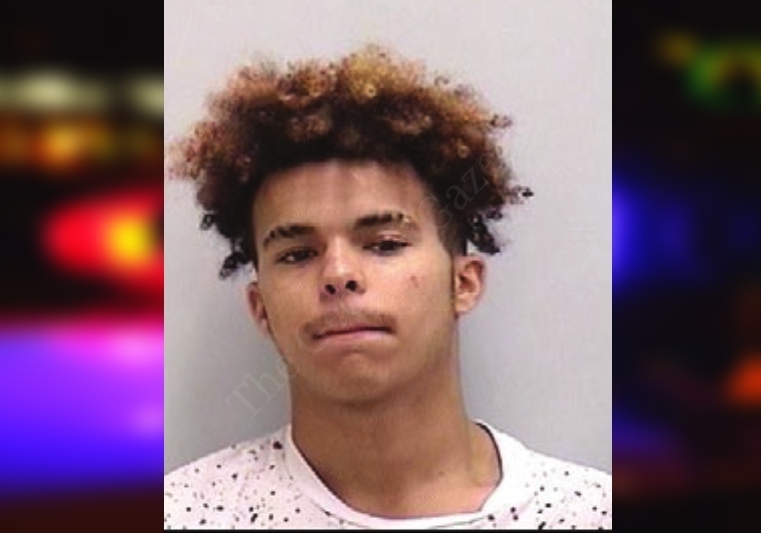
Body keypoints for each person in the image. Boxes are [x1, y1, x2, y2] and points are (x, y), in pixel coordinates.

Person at [164, 44, 611, 530]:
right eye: (298, 254)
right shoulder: (187, 514)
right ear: (260, 308)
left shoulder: (588, 513)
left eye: (385, 244)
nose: (338, 274)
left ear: (463, 283)